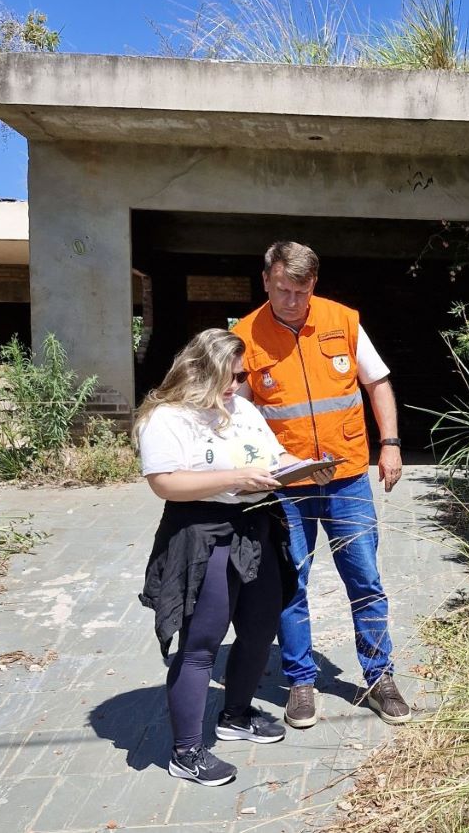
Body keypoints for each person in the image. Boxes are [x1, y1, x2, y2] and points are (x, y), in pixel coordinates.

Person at [136, 328, 330, 786]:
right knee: (202, 642)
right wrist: (235, 476)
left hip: (256, 527)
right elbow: (164, 482)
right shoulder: (167, 417)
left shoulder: (242, 408)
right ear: (202, 369)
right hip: (203, 533)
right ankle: (186, 751)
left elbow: (271, 455)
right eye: (233, 374)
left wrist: (299, 467)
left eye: (242, 374)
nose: (240, 383)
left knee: (261, 629)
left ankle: (236, 716)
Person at [232, 241, 411, 729]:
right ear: (266, 279)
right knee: (291, 584)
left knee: (365, 580)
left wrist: (390, 443)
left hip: (346, 477)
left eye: (302, 291)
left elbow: (377, 383)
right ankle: (301, 682)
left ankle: (380, 677)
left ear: (315, 285)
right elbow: (235, 413)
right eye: (284, 290)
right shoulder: (245, 336)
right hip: (286, 485)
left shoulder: (342, 320)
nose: (292, 301)